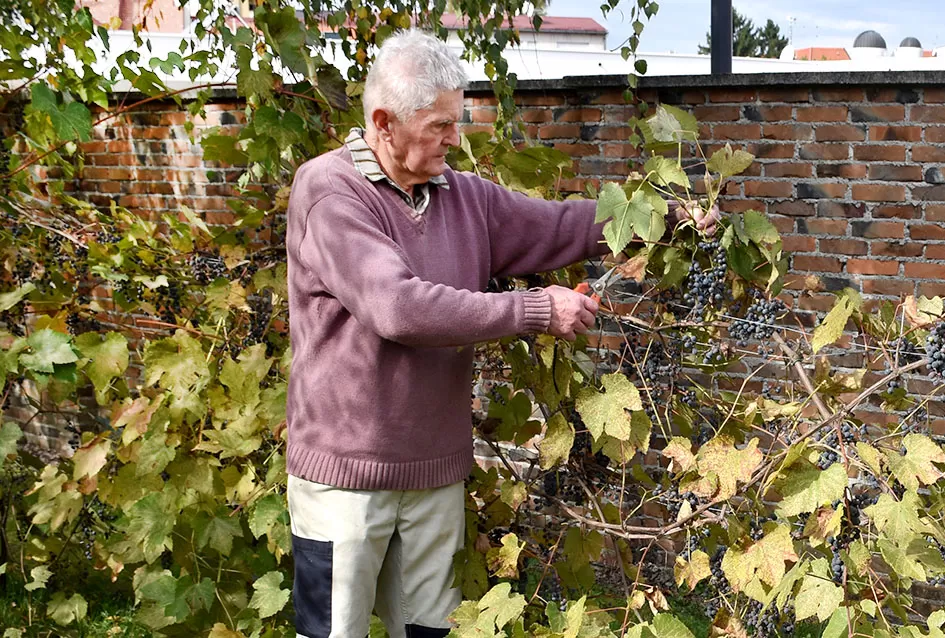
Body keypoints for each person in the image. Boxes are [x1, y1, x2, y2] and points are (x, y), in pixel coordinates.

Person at [284, 29, 716, 638]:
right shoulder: (330, 193)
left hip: (433, 472)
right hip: (344, 480)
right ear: (383, 122)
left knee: (431, 631)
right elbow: (397, 307)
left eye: (456, 122)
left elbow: (559, 225)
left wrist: (665, 219)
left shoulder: (463, 197)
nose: (454, 140)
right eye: (439, 126)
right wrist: (533, 311)